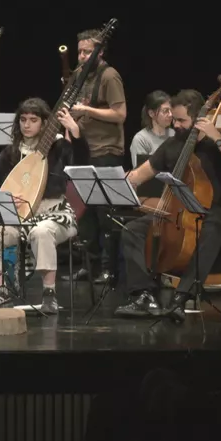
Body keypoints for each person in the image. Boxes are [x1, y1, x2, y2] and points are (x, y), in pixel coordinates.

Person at [114, 89, 221, 320]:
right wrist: (123, 183)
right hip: (179, 210)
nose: (174, 124)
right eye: (173, 119)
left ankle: (181, 297)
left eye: (181, 120)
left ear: (199, 119)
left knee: (211, 232)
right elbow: (141, 174)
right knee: (132, 230)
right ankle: (143, 294)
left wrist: (216, 137)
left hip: (216, 210)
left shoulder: (219, 140)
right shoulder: (172, 144)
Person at [0, 98, 87, 314]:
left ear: (44, 123)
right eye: (23, 119)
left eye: (33, 120)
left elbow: (82, 162)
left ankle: (49, 294)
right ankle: (1, 292)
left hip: (56, 215)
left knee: (41, 232)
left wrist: (76, 132)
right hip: (19, 218)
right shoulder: (11, 152)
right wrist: (6, 199)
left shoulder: (58, 147)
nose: (26, 124)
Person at [63, 28, 128, 284]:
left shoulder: (110, 76)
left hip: (106, 151)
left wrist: (87, 109)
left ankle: (108, 269)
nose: (81, 56)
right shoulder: (78, 75)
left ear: (99, 52)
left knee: (105, 213)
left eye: (87, 51)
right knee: (85, 214)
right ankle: (89, 265)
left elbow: (120, 114)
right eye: (80, 51)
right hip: (82, 149)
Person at [129, 90, 174, 168]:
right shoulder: (141, 139)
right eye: (165, 111)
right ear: (151, 114)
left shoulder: (174, 134)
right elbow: (139, 172)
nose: (170, 114)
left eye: (171, 110)